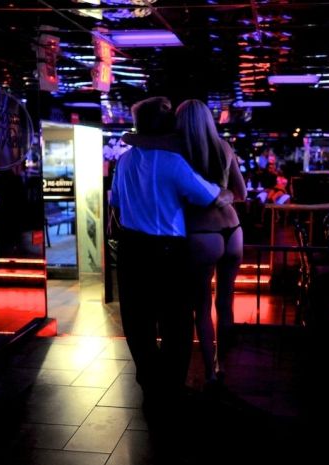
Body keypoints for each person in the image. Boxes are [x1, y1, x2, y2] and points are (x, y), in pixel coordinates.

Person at [109, 96, 233, 410]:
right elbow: (208, 196)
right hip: (167, 251)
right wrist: (227, 193)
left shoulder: (125, 162)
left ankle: (150, 388)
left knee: (138, 323)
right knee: (176, 324)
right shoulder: (173, 162)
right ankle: (172, 390)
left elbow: (116, 205)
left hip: (131, 249)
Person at [174, 99, 247, 387]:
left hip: (202, 232)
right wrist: (223, 193)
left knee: (202, 307)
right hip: (233, 229)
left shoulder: (178, 151)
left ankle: (209, 372)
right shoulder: (225, 147)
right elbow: (241, 192)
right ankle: (223, 363)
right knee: (226, 302)